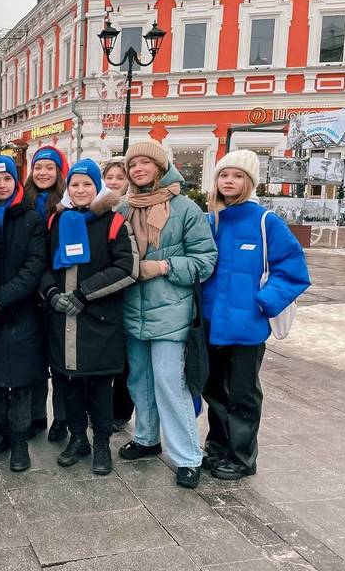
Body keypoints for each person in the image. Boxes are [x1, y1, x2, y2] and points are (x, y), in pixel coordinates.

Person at [202, 150, 310, 480]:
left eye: (236, 176)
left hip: (247, 327)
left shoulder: (266, 222)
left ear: (249, 182)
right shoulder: (211, 221)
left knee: (243, 394)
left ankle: (242, 457)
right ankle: (218, 447)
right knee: (214, 390)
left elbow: (293, 270)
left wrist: (263, 303)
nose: (228, 181)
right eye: (223, 175)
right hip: (209, 323)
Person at [117, 140, 217, 489]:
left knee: (169, 383)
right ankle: (146, 438)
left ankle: (188, 456)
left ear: (160, 167)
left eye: (146, 163)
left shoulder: (185, 209)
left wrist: (162, 266)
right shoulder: (123, 208)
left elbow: (206, 261)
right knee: (139, 380)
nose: (138, 169)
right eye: (133, 165)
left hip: (171, 313)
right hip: (133, 311)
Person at [40, 159, 138, 474]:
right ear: (67, 188)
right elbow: (43, 265)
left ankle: (100, 445)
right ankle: (78, 438)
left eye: (87, 184)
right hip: (62, 320)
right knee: (67, 384)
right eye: (75, 184)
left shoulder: (113, 223)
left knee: (98, 387)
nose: (81, 190)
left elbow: (127, 268)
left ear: (97, 188)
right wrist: (53, 294)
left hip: (98, 320)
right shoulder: (57, 221)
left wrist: (83, 294)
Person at [0, 155, 46, 472]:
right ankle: (0, 435)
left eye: (6, 179)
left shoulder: (31, 218)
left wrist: (1, 299)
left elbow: (34, 268)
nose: (1, 185)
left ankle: (19, 442)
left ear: (16, 181)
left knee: (19, 383)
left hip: (21, 311)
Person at [23, 145, 69, 443]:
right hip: (30, 291)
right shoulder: (23, 202)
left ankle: (61, 418)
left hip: (58, 288)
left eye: (49, 168)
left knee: (61, 361)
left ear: (58, 172)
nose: (43, 173)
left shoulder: (65, 205)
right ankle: (36, 415)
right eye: (38, 167)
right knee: (34, 359)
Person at [101, 156, 134, 432]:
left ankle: (120, 410)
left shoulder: (130, 209)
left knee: (124, 359)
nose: (113, 183)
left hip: (129, 292)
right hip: (103, 291)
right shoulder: (96, 208)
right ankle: (100, 406)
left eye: (119, 178)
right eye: (109, 178)